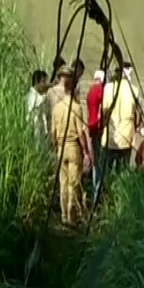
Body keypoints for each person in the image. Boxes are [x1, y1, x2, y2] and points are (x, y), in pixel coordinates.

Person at [50, 66, 91, 227]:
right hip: (73, 147)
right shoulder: (76, 108)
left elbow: (52, 133)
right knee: (74, 184)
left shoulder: (56, 108)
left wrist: (55, 147)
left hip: (60, 148)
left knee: (63, 184)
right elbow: (81, 132)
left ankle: (64, 217)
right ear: (74, 90)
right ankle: (72, 217)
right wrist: (86, 152)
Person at [101, 62, 140, 177]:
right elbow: (138, 115)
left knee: (105, 172)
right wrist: (136, 129)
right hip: (126, 138)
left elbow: (104, 112)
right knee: (122, 172)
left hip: (109, 137)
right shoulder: (135, 90)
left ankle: (103, 192)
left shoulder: (108, 88)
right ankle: (119, 193)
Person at [86, 70, 105, 201]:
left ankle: (94, 189)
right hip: (98, 128)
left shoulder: (90, 91)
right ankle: (96, 193)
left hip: (91, 127)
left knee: (95, 160)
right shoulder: (100, 91)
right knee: (99, 163)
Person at [26, 70, 49, 142]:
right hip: (34, 128)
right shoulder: (31, 95)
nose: (45, 84)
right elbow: (29, 112)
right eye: (43, 82)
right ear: (36, 82)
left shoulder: (39, 95)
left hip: (40, 128)